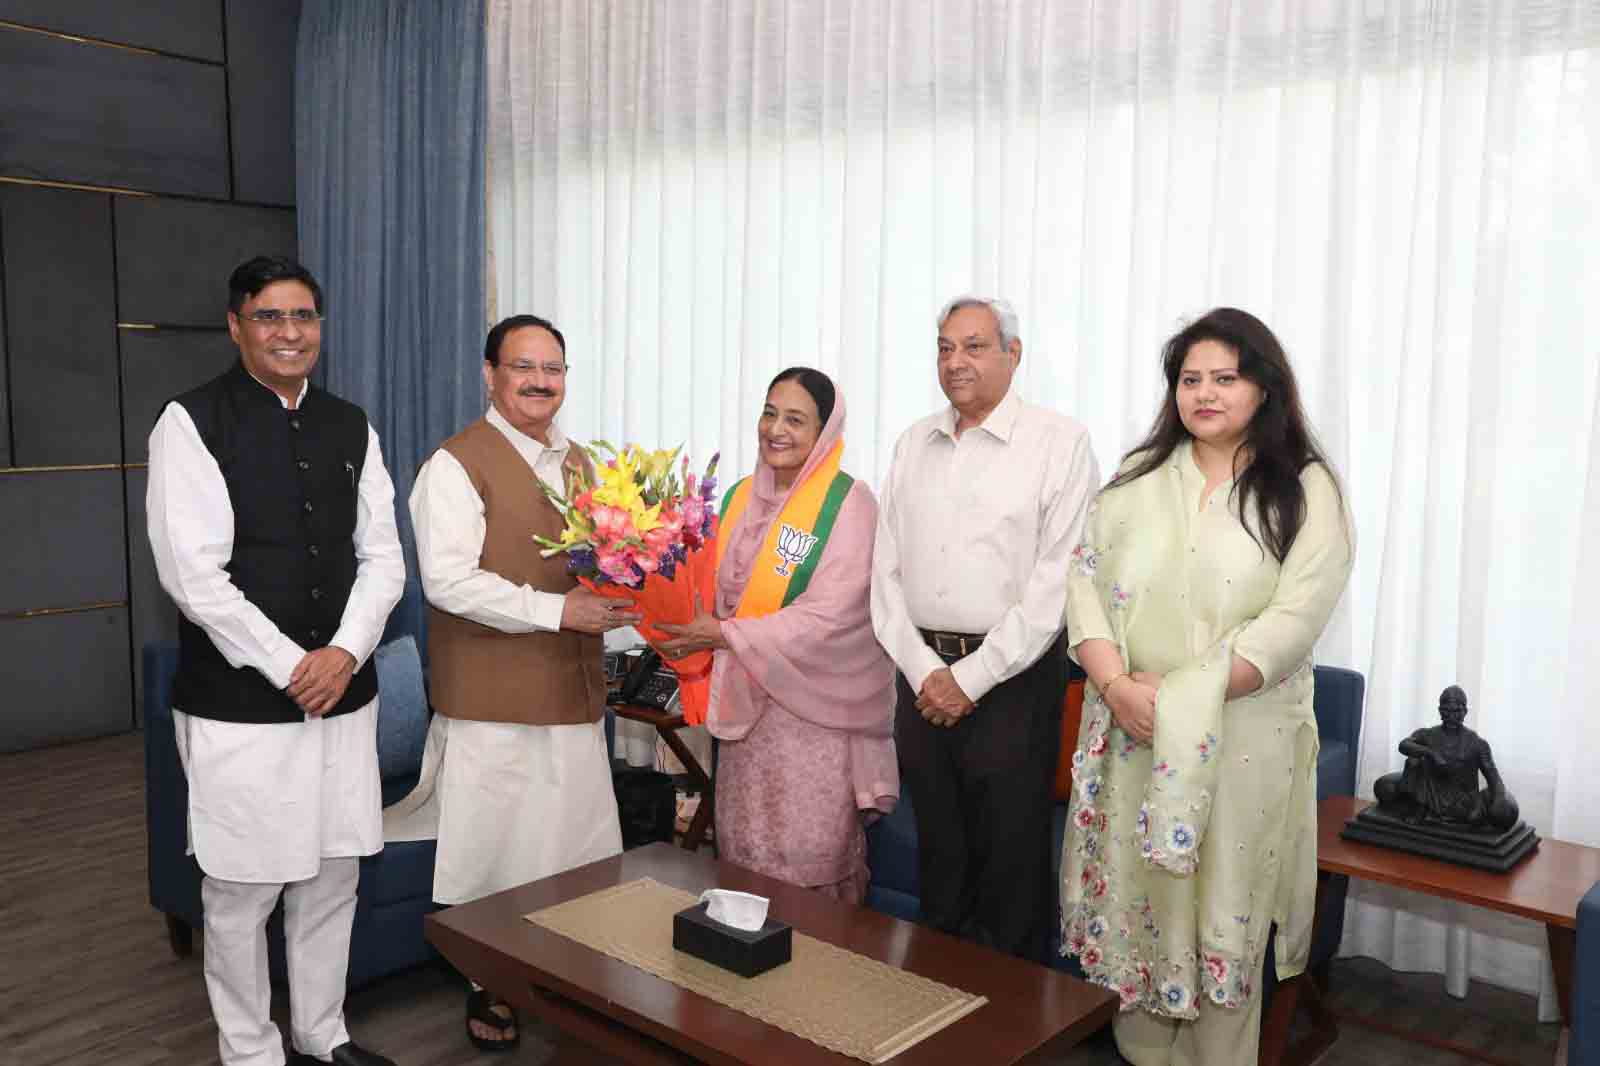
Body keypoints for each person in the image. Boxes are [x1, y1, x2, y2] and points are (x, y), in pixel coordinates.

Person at [1059, 308, 1354, 1066]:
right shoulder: (1136, 482)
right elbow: (1084, 585)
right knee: (1140, 902)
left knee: (1221, 906)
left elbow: (1294, 619)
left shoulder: (1305, 491)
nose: (1206, 393)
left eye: (1226, 377)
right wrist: (1118, 686)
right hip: (1131, 734)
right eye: (1191, 379)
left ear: (1265, 387)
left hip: (1240, 743)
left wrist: (1184, 697)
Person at [147, 256, 406, 1066]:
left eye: (303, 317)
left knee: (333, 878)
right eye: (269, 317)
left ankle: (322, 1035)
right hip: (241, 706)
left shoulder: (351, 422)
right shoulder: (190, 422)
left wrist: (344, 652)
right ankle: (250, 1050)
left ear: (320, 328)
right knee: (240, 892)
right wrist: (296, 663)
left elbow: (386, 558)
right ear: (236, 326)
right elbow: (193, 574)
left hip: (346, 696)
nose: (289, 333)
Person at [384, 314, 641, 1052]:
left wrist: (631, 597)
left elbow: (596, 565)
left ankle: (573, 982)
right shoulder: (455, 465)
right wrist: (559, 610)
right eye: (523, 366)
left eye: (553, 368)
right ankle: (487, 986)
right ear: (490, 375)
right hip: (492, 700)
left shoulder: (584, 463)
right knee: (497, 854)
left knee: (574, 848)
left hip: (569, 692)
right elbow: (449, 582)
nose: (539, 381)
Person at [870, 296, 1100, 962]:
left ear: (1013, 354)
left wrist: (968, 679)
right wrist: (925, 672)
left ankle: (1007, 1035)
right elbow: (884, 574)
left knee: (1010, 872)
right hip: (920, 682)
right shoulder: (914, 442)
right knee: (939, 864)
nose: (955, 361)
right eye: (944, 347)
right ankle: (938, 1017)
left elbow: (1056, 584)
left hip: (1013, 684)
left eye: (973, 346)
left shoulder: (1060, 443)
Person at [655, 368, 898, 901]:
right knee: (745, 855)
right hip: (745, 712)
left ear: (824, 431)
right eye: (769, 412)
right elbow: (711, 587)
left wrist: (721, 633)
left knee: (807, 863)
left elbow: (831, 615)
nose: (776, 429)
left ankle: (821, 980)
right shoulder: (740, 496)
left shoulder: (850, 504)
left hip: (812, 716)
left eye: (795, 419)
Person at [1373, 685, 1519, 829]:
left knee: (1494, 815)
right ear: (1440, 711)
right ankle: (1421, 808)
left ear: (1465, 712)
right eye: (1446, 711)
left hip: (1462, 798)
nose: (1451, 716)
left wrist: (1499, 799)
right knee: (1412, 763)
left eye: (1456, 711)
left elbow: (1493, 777)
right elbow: (1404, 745)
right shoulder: (1428, 735)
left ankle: (1445, 814)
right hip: (1429, 793)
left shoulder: (1477, 743)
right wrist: (1431, 753)